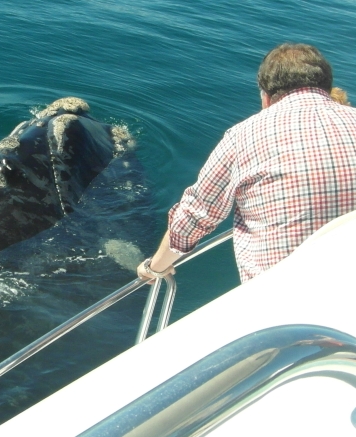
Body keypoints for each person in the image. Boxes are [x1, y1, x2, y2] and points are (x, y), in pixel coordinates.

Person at [137, 43, 356, 283]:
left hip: (285, 293)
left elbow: (196, 216)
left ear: (265, 96)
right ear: (327, 87)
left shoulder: (243, 135)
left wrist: (154, 267)